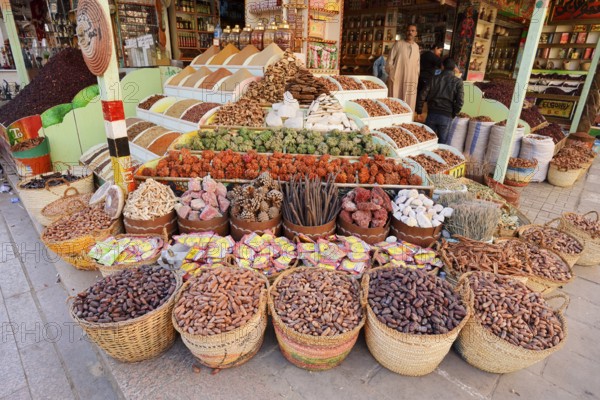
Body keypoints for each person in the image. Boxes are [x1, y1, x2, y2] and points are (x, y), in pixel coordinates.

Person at [415, 57, 464, 145]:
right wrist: (453, 114)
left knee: (427, 142)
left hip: (432, 114)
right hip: (447, 116)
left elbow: (422, 94)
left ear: (442, 66)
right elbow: (460, 102)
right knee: (442, 145)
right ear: (454, 68)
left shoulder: (433, 78)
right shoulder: (458, 82)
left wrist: (419, 110)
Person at [385, 25, 420, 111]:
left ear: (416, 33)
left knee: (409, 101)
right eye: (408, 30)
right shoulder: (398, 44)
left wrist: (416, 76)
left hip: (411, 79)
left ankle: (407, 121)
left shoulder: (416, 47)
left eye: (412, 31)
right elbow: (389, 60)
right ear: (405, 32)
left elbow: (417, 64)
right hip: (397, 77)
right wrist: (392, 73)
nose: (410, 32)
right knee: (395, 99)